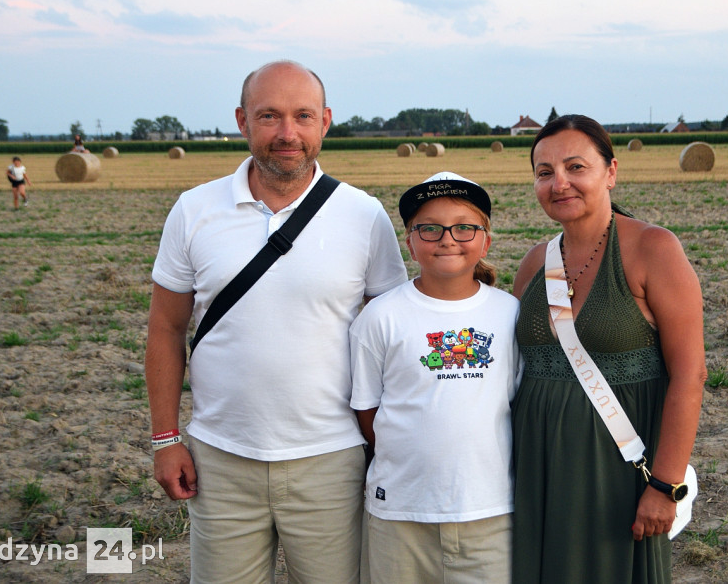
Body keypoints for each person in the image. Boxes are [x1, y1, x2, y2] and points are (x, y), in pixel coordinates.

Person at [144, 60, 408, 583]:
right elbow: (165, 329)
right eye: (269, 116)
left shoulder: (364, 215)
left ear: (325, 121)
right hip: (220, 460)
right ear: (242, 121)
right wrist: (165, 438)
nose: (287, 134)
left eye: (302, 116)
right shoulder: (194, 210)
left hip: (332, 460)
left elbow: (394, 339)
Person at [511, 115, 707, 583]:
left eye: (576, 167)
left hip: (615, 471)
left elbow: (689, 376)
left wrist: (665, 485)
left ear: (611, 172)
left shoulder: (654, 249)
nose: (559, 183)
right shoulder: (535, 261)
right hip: (538, 464)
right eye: (544, 172)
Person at [350, 172, 520, 584]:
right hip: (400, 514)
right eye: (430, 229)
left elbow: (515, 403)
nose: (448, 239)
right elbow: (368, 413)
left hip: (490, 512)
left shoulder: (509, 313)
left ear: (486, 240)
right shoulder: (380, 317)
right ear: (409, 241)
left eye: (464, 227)